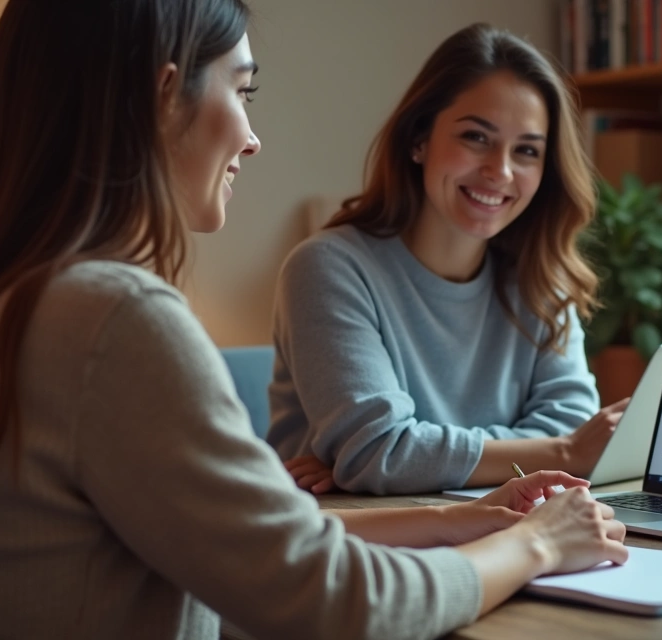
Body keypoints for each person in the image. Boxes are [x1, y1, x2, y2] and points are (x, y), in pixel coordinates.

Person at [0, 3, 630, 639]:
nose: (252, 136)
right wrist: (534, 544)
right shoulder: (112, 320)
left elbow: (257, 543)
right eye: (242, 92)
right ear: (163, 92)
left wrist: (460, 519)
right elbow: (336, 604)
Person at [267, 23, 629, 496]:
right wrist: (557, 453)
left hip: (504, 527)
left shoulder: (542, 280)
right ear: (419, 139)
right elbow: (379, 452)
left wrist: (408, 455)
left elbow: (572, 427)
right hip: (359, 546)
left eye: (526, 150)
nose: (499, 171)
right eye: (476, 137)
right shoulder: (328, 268)